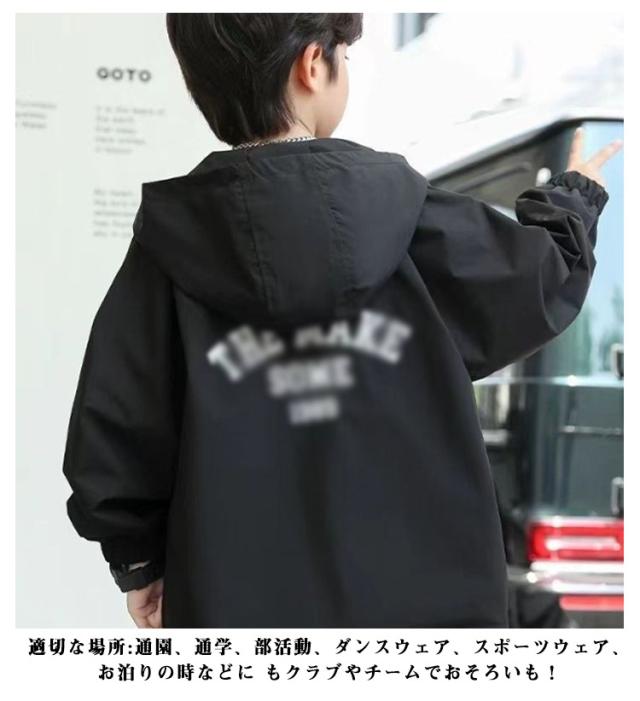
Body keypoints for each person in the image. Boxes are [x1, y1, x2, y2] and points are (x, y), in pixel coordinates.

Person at [61, 13, 623, 628]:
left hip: (239, 611)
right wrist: (574, 199)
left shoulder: (167, 251)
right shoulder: (412, 218)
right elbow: (535, 280)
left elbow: (115, 433)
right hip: (425, 618)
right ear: (312, 65)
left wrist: (139, 563)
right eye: (345, 56)